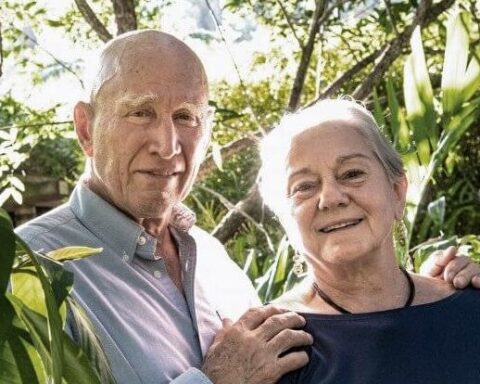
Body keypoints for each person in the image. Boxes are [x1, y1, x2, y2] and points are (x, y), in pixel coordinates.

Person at [15, 31, 479, 384]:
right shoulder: (26, 272)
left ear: (398, 191)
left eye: (185, 117)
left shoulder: (211, 260)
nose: (166, 143)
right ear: (86, 128)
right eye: (140, 112)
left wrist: (448, 291)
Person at [258, 98, 480, 383]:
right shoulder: (270, 347)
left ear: (397, 192)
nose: (331, 198)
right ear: (284, 219)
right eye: (304, 187)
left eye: (352, 174)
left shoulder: (468, 309)